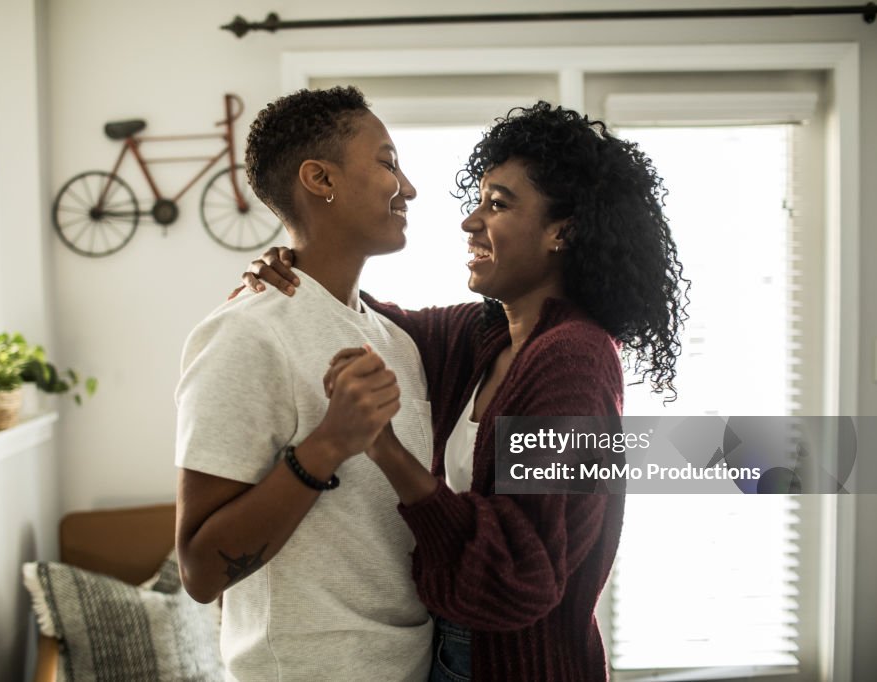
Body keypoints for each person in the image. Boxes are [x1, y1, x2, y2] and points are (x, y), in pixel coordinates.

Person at [242, 102, 689, 681]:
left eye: (498, 204)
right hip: (453, 650)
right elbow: (363, 315)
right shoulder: (478, 335)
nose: (469, 222)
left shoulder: (573, 359)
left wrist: (388, 452)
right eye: (477, 201)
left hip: (517, 666)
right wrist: (288, 268)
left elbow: (521, 579)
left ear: (563, 230)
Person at [174, 86, 437, 681]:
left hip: (409, 665)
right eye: (389, 163)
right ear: (321, 179)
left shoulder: (399, 342)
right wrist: (327, 445)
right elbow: (200, 572)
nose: (410, 187)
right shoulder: (245, 335)